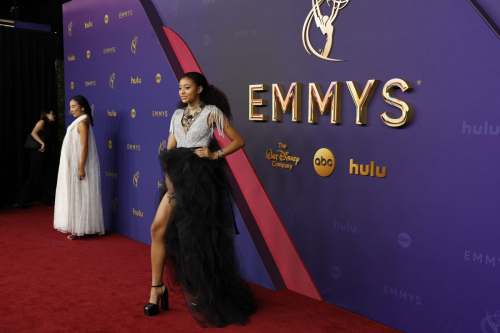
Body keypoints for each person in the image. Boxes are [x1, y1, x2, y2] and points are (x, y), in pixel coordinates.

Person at [144, 72, 256, 327]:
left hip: (200, 183)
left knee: (197, 239)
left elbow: (238, 141)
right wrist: (169, 180)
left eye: (187, 87)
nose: (182, 92)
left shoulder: (212, 112)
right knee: (157, 228)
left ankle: (205, 291)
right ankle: (156, 288)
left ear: (200, 89)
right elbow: (170, 151)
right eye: (180, 88)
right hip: (175, 179)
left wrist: (215, 154)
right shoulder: (176, 115)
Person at [53, 95, 104, 240]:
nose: (71, 110)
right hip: (73, 164)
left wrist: (81, 167)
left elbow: (84, 146)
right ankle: (77, 227)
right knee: (77, 194)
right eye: (70, 107)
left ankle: (81, 228)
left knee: (81, 193)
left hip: (78, 165)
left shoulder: (82, 123)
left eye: (73, 106)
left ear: (82, 107)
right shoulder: (79, 121)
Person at [16, 110, 57, 208]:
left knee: (49, 175)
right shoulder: (42, 122)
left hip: (46, 154)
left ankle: (47, 200)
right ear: (46, 114)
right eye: (52, 114)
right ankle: (20, 201)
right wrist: (42, 143)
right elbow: (33, 133)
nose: (54, 116)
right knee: (34, 176)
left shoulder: (49, 125)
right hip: (38, 153)